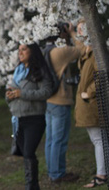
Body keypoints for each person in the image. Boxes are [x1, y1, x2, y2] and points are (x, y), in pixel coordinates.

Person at [6, 43, 53, 190]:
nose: (20, 52)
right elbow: (11, 94)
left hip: (34, 118)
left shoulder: (39, 70)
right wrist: (9, 96)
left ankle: (31, 187)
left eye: (24, 49)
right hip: (18, 119)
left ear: (33, 51)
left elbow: (46, 92)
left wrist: (22, 94)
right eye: (19, 50)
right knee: (25, 155)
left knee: (28, 152)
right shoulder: (18, 71)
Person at [43, 22, 84, 183]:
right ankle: (58, 174)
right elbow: (81, 49)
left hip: (48, 100)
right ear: (61, 34)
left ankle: (52, 171)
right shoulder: (60, 52)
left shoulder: (46, 50)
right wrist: (73, 33)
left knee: (51, 139)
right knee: (59, 139)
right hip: (60, 99)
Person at [74, 20, 107, 188]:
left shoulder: (95, 52)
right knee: (98, 139)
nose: (79, 33)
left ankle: (101, 174)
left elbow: (102, 74)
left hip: (93, 102)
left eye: (81, 29)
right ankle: (102, 172)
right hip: (87, 103)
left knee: (98, 139)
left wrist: (90, 92)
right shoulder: (86, 50)